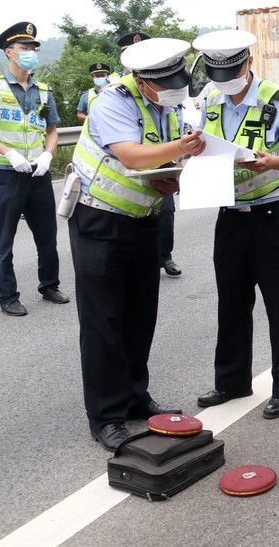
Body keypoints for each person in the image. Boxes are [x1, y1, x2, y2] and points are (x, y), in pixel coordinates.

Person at [67, 37, 205, 450]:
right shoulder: (113, 100)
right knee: (103, 321)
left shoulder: (168, 103)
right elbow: (129, 155)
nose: (173, 91)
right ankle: (106, 415)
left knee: (139, 316)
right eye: (165, 84)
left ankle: (134, 397)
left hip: (144, 217)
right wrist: (181, 148)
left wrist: (174, 174)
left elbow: (163, 158)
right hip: (99, 218)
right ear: (143, 82)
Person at [193, 29, 279, 420]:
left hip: (271, 214)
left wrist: (272, 161)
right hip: (229, 215)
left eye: (231, 73)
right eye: (217, 75)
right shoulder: (209, 99)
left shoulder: (278, 101)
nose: (225, 83)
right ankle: (231, 381)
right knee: (231, 302)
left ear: (248, 63)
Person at [0, 22, 68, 316]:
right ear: (9, 52)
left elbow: (52, 130)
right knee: (5, 238)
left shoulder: (43, 90)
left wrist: (48, 156)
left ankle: (49, 285)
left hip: (38, 173)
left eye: (33, 49)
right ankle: (8, 295)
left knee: (47, 234)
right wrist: (9, 153)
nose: (30, 53)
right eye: (24, 49)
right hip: (7, 174)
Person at [116, 31, 182, 276]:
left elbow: (175, 121)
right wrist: (183, 145)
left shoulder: (165, 87)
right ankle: (143, 258)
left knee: (165, 213)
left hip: (163, 160)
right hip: (131, 166)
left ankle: (165, 255)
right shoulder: (118, 93)